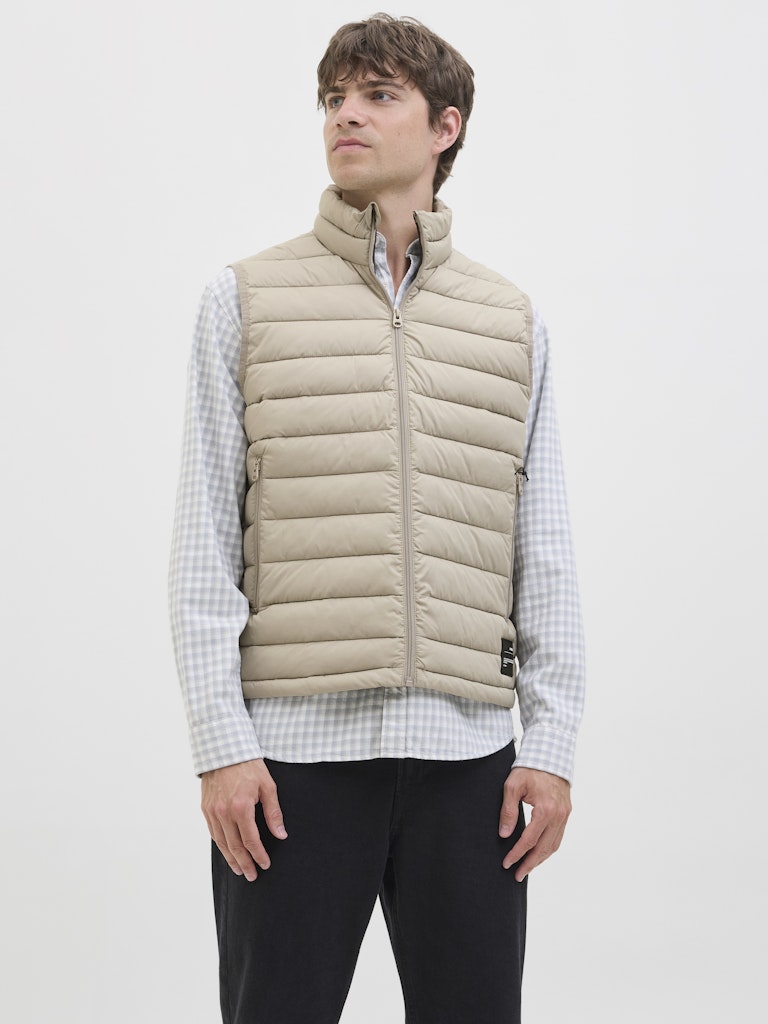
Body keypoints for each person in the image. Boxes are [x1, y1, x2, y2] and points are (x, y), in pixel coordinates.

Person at [169, 13, 585, 1024]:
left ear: (446, 126)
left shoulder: (510, 320)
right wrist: (222, 744)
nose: (344, 115)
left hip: (469, 764)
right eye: (333, 98)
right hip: (291, 767)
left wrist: (552, 744)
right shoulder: (244, 301)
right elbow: (201, 548)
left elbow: (543, 549)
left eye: (377, 95)